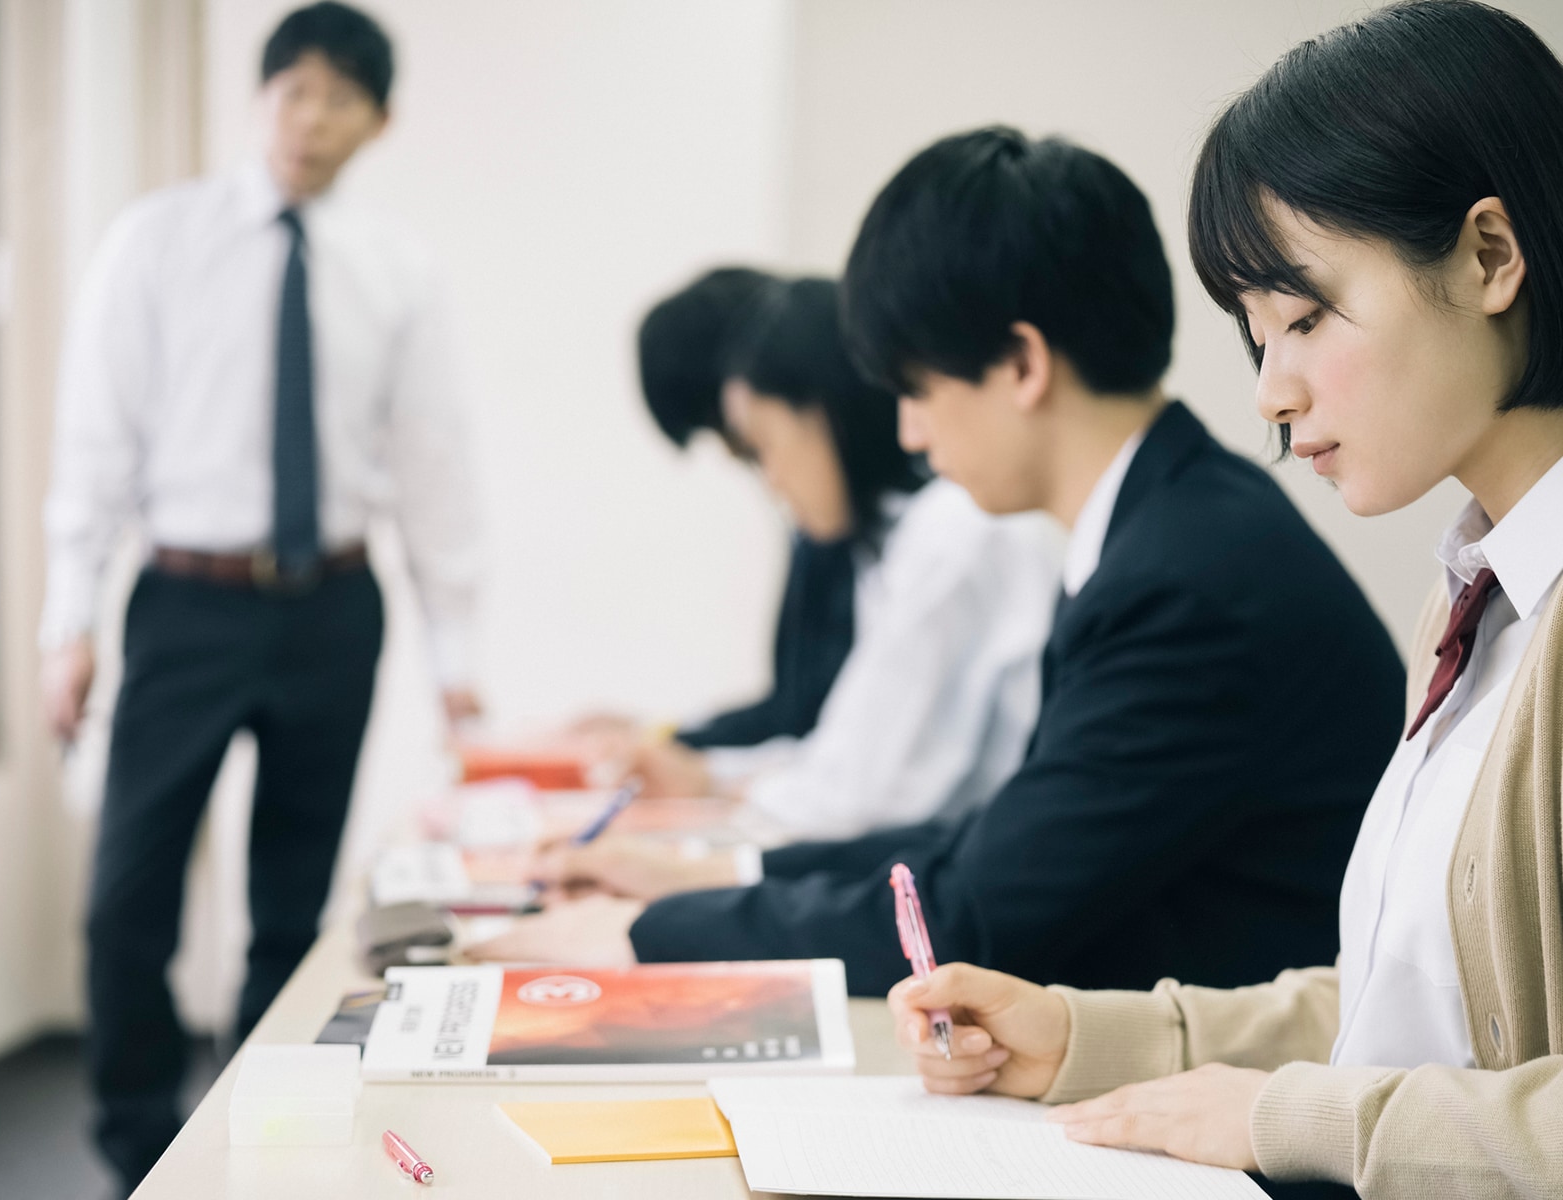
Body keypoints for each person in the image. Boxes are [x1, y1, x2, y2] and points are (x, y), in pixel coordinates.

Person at [468, 129, 1406, 1001]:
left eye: (916, 391)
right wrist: (705, 878)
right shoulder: (1172, 526)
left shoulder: (1185, 581)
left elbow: (968, 914)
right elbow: (989, 847)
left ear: (1021, 365)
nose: (910, 432)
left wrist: (646, 935)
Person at [888, 4, 1563, 1197]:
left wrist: (1282, 1118)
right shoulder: (1475, 601)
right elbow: (1413, 1010)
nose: (1272, 392)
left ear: (1490, 256)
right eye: (1255, 337)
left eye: (1304, 318)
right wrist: (1082, 1038)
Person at [38, 3, 480, 1189]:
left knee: (293, 911)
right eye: (294, 90)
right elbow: (95, 447)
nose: (311, 116)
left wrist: (458, 660)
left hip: (334, 608)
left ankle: (249, 1139)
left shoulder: (395, 271)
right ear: (261, 96)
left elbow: (434, 467)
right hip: (185, 604)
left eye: (340, 98)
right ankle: (137, 1149)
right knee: (128, 897)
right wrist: (65, 623)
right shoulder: (156, 241)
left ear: (376, 123)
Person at [619, 276, 1063, 838]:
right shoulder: (894, 545)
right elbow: (841, 753)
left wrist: (702, 807)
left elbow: (858, 797)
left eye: (763, 449)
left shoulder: (949, 534)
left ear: (826, 410)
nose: (771, 481)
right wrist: (705, 773)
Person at [576, 266, 861, 758]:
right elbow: (794, 707)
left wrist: (675, 746)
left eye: (747, 436)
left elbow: (810, 723)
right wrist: (663, 737)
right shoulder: (821, 524)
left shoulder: (921, 532)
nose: (740, 457)